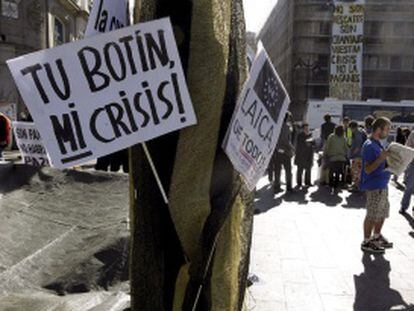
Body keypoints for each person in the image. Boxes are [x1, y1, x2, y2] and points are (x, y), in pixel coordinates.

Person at [360, 117, 393, 254]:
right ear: (379, 129)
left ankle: (376, 236)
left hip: (382, 185)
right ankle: (367, 241)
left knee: (382, 213)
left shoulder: (378, 143)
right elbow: (367, 169)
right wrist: (382, 158)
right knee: (372, 215)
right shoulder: (369, 145)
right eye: (387, 129)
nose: (389, 132)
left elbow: (381, 162)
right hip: (374, 186)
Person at [272, 112, 295, 193]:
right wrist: (292, 148)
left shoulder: (276, 125)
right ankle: (289, 187)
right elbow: (286, 140)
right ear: (287, 118)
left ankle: (276, 187)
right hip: (285, 151)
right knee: (288, 170)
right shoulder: (286, 127)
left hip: (277, 150)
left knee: (277, 170)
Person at [324, 125, 348, 191]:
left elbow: (327, 147)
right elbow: (346, 148)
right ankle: (336, 185)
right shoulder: (344, 138)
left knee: (331, 171)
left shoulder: (331, 136)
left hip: (332, 157)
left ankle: (331, 184)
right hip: (341, 158)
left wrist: (326, 154)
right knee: (338, 172)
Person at [294, 123, 314, 188]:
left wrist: (312, 142)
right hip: (301, 155)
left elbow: (313, 144)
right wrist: (307, 142)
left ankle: (307, 182)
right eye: (305, 129)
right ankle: (299, 183)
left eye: (307, 128)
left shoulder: (310, 135)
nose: (307, 130)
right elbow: (300, 145)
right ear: (302, 129)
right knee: (300, 170)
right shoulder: (300, 135)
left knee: (308, 169)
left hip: (309, 155)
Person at [400, 130, 414, 215]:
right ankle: (404, 206)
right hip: (413, 164)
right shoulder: (413, 133)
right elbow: (407, 147)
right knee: (409, 186)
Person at [349, 121, 366, 191]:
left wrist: (352, 153)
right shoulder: (361, 131)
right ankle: (357, 185)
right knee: (359, 171)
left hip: (358, 155)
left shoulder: (358, 133)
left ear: (353, 127)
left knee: (356, 171)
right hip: (361, 155)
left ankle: (356, 186)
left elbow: (358, 145)